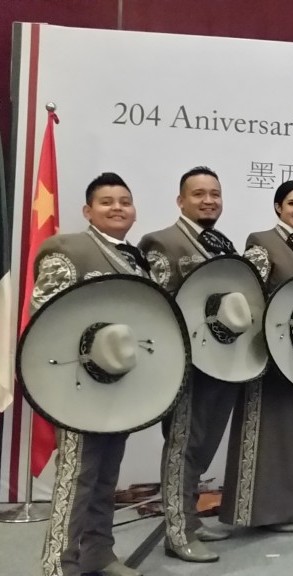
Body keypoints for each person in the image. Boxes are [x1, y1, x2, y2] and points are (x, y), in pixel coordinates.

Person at [36, 173, 148, 576]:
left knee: (106, 475)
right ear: (88, 210)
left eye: (124, 201)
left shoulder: (137, 259)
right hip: (77, 388)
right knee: (77, 478)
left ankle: (98, 552)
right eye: (106, 201)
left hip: (119, 384)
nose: (117, 208)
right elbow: (45, 320)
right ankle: (59, 566)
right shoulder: (69, 250)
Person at [139, 166, 240, 563]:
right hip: (187, 365)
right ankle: (177, 532)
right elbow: (157, 305)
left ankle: (191, 520)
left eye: (215, 193)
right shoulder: (162, 242)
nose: (208, 201)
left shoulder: (223, 244)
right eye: (199, 194)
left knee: (203, 445)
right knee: (183, 446)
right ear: (181, 200)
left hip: (222, 363)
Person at [218, 181, 293, 532]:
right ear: (278, 207)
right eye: (292, 203)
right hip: (272, 351)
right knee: (271, 429)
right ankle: (266, 512)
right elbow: (251, 292)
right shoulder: (261, 241)